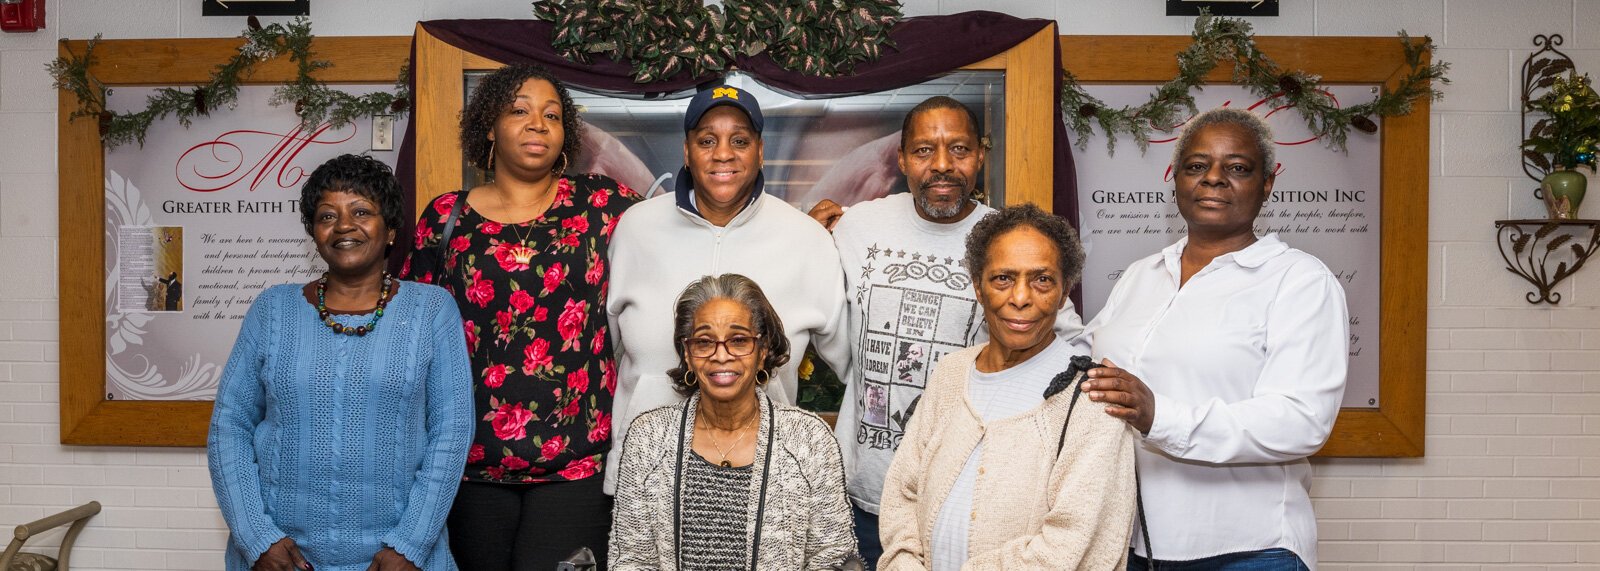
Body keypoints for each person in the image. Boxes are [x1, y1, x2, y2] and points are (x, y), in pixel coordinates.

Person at [810, 97, 1087, 567]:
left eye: (958, 149)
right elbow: (816, 312)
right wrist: (809, 239)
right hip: (861, 494)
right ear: (901, 159)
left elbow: (1071, 344)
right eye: (923, 151)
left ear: (980, 155)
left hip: (962, 490)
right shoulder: (858, 225)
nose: (942, 165)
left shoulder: (1008, 240)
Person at [1081, 107, 1349, 570]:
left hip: (1247, 548)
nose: (1214, 179)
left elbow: (1301, 420)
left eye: (1238, 168)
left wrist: (1160, 416)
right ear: (1177, 178)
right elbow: (1084, 363)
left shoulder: (1299, 281)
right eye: (1197, 166)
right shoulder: (1141, 276)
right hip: (1130, 545)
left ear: (1266, 184)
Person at [401, 64, 642, 570]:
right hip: (467, 471)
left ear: (566, 131)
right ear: (488, 126)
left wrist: (798, 226)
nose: (538, 124)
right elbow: (411, 336)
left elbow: (686, 235)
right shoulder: (446, 217)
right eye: (520, 111)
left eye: (551, 115)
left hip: (576, 469)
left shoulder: (604, 205)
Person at [208, 154, 474, 571]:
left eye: (362, 212)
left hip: (400, 560)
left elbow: (451, 434)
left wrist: (410, 545)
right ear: (314, 232)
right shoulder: (272, 309)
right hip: (280, 558)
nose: (344, 225)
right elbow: (229, 427)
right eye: (327, 215)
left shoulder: (431, 311)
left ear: (389, 230)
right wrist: (257, 539)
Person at [605, 84, 850, 494]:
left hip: (770, 488)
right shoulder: (635, 229)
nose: (723, 153)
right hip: (646, 482)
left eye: (739, 140)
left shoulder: (806, 239)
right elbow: (600, 357)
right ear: (686, 151)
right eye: (707, 140)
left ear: (760, 151)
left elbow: (856, 369)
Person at [878, 204, 1136, 570]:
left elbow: (1072, 543)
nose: (1020, 297)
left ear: (1064, 293)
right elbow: (902, 494)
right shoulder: (952, 373)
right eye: (1002, 279)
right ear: (978, 287)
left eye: (1042, 280)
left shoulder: (1092, 400)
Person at [610, 274, 857, 569]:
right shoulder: (648, 438)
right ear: (688, 354)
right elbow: (631, 560)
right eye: (704, 342)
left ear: (762, 350)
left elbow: (834, 560)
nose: (721, 355)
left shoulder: (809, 440)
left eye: (739, 340)